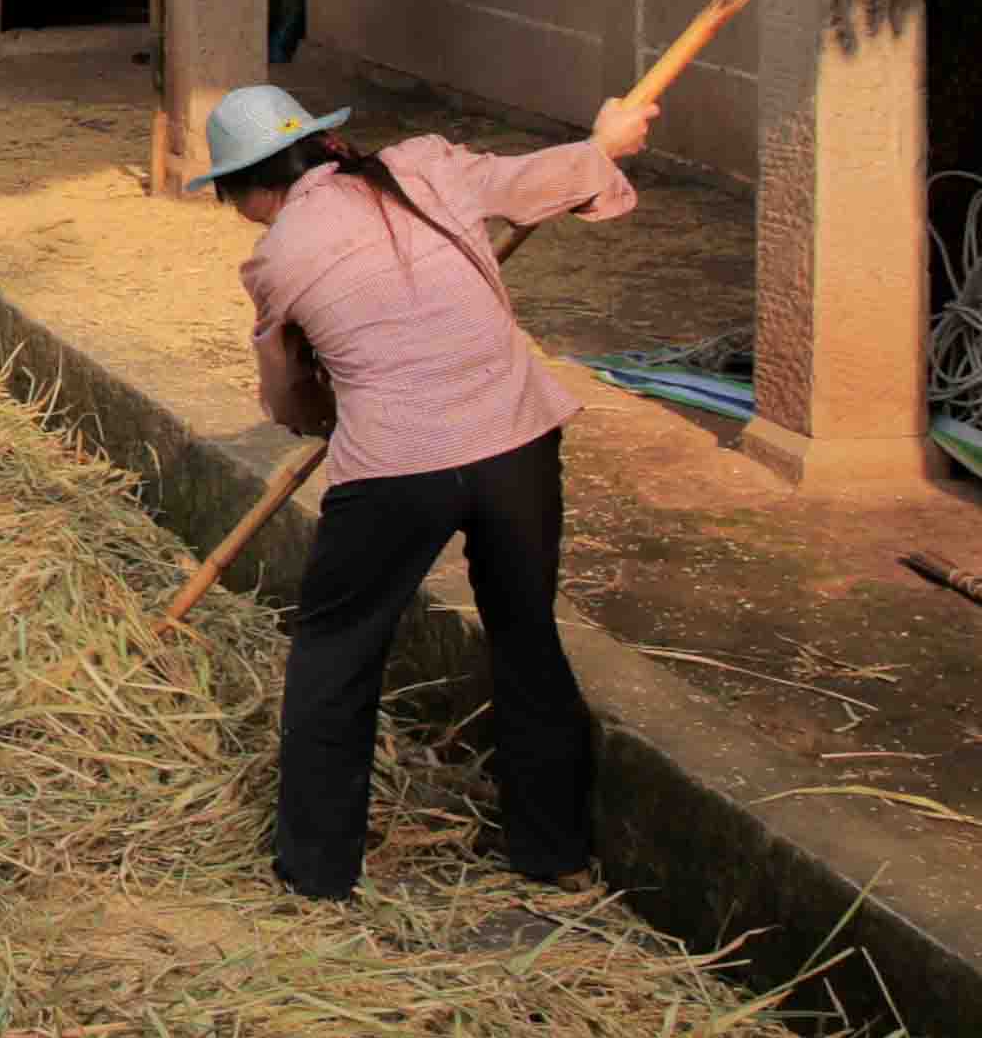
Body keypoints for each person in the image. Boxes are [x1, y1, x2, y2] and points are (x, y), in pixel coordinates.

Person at [194, 79, 652, 917]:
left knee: (335, 652)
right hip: (516, 440)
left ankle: (318, 873)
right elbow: (543, 182)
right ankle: (553, 857)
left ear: (251, 189)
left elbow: (291, 400)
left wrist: (327, 409)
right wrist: (606, 142)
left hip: (397, 468)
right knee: (525, 633)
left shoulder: (277, 257)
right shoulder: (423, 168)